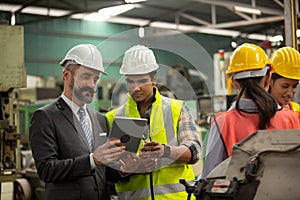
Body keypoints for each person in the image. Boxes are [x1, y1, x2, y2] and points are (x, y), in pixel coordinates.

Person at [29, 44, 125, 200]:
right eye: (85, 77)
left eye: (95, 79)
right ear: (66, 75)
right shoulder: (45, 117)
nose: (92, 85)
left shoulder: (100, 119)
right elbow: (47, 170)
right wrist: (92, 160)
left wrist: (123, 170)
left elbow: (105, 173)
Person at [106, 45, 201, 199]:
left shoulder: (177, 109)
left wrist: (166, 152)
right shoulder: (113, 117)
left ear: (154, 79)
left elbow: (194, 151)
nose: (135, 88)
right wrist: (129, 169)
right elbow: (106, 169)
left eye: (142, 81)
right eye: (130, 81)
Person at [201, 43, 300, 179]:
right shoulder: (289, 118)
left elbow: (209, 179)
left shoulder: (222, 123)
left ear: (235, 83)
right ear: (268, 79)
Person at [269, 47, 300, 120]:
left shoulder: (296, 110)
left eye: (294, 86)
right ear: (269, 80)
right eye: (285, 86)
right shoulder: (260, 112)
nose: (290, 93)